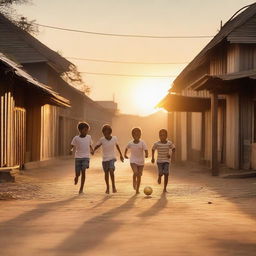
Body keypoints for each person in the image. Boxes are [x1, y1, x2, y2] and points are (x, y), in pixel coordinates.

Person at [94, 124, 124, 194]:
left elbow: (117, 146)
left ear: (110, 132)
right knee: (106, 173)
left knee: (111, 170)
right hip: (105, 159)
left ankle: (113, 186)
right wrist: (93, 150)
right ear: (103, 133)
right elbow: (97, 145)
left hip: (112, 158)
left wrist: (121, 155)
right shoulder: (102, 139)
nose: (106, 135)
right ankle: (107, 187)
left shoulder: (114, 138)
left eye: (107, 133)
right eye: (104, 133)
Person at [71, 122, 94, 194]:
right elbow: (72, 145)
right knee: (78, 173)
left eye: (87, 130)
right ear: (80, 130)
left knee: (83, 171)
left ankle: (81, 189)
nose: (86, 132)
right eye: (85, 130)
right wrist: (71, 150)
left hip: (86, 157)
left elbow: (90, 145)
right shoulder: (76, 138)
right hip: (78, 157)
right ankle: (77, 177)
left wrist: (92, 150)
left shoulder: (89, 137)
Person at [124, 128, 148, 194]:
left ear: (140, 135)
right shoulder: (130, 143)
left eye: (138, 134)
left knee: (139, 175)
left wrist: (146, 154)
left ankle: (137, 189)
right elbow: (126, 148)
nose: (137, 136)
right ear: (132, 135)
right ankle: (134, 180)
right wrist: (125, 154)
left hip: (141, 162)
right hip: (133, 161)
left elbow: (146, 149)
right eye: (135, 134)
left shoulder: (142, 143)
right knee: (135, 172)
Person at [151, 129, 175, 193]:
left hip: (166, 161)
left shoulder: (169, 143)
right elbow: (153, 149)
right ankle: (159, 176)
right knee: (161, 173)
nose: (162, 137)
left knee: (166, 173)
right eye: (161, 135)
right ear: (159, 136)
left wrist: (170, 155)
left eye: (164, 135)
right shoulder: (157, 143)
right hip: (159, 162)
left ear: (166, 136)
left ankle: (165, 188)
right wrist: (153, 158)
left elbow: (173, 149)